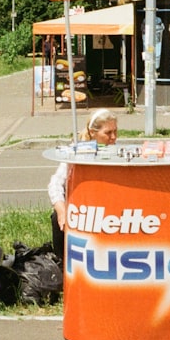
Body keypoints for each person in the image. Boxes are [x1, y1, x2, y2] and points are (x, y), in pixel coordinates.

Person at [47, 108, 118, 258]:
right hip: (83, 209)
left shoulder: (115, 152)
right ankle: (62, 264)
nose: (113, 137)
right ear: (93, 132)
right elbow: (55, 183)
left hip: (106, 210)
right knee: (56, 219)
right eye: (108, 133)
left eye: (115, 132)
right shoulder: (76, 152)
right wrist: (61, 210)